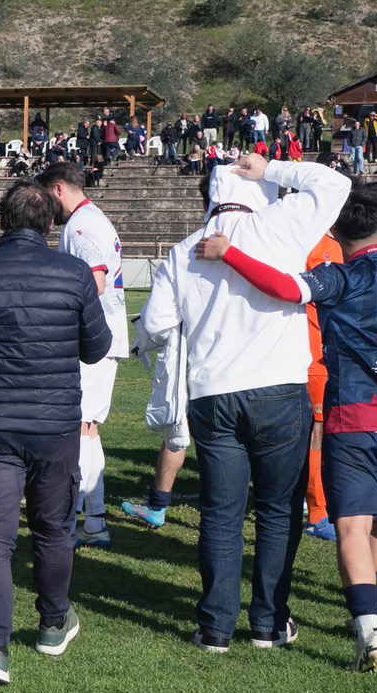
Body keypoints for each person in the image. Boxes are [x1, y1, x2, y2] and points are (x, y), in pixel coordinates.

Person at [138, 156, 350, 653]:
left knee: (221, 512)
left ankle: (215, 625)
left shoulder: (183, 251)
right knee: (278, 511)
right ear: (255, 191)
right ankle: (269, 622)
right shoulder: (279, 224)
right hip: (278, 385)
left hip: (212, 391)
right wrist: (273, 167)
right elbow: (334, 182)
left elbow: (153, 324)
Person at [193, 187, 377, 671]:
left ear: (331, 230)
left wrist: (230, 253)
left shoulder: (337, 276)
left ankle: (369, 630)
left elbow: (285, 288)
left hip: (352, 415)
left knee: (352, 524)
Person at [0, 179, 111, 686]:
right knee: (51, 527)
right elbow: (96, 346)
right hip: (52, 420)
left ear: (3, 220)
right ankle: (52, 621)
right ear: (49, 224)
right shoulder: (74, 271)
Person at [38, 161, 128, 546]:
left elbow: (95, 280)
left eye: (46, 197)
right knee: (87, 429)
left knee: (78, 428)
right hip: (103, 336)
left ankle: (74, 521)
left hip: (91, 338)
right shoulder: (91, 219)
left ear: (58, 189)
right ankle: (93, 522)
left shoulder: (81, 224)